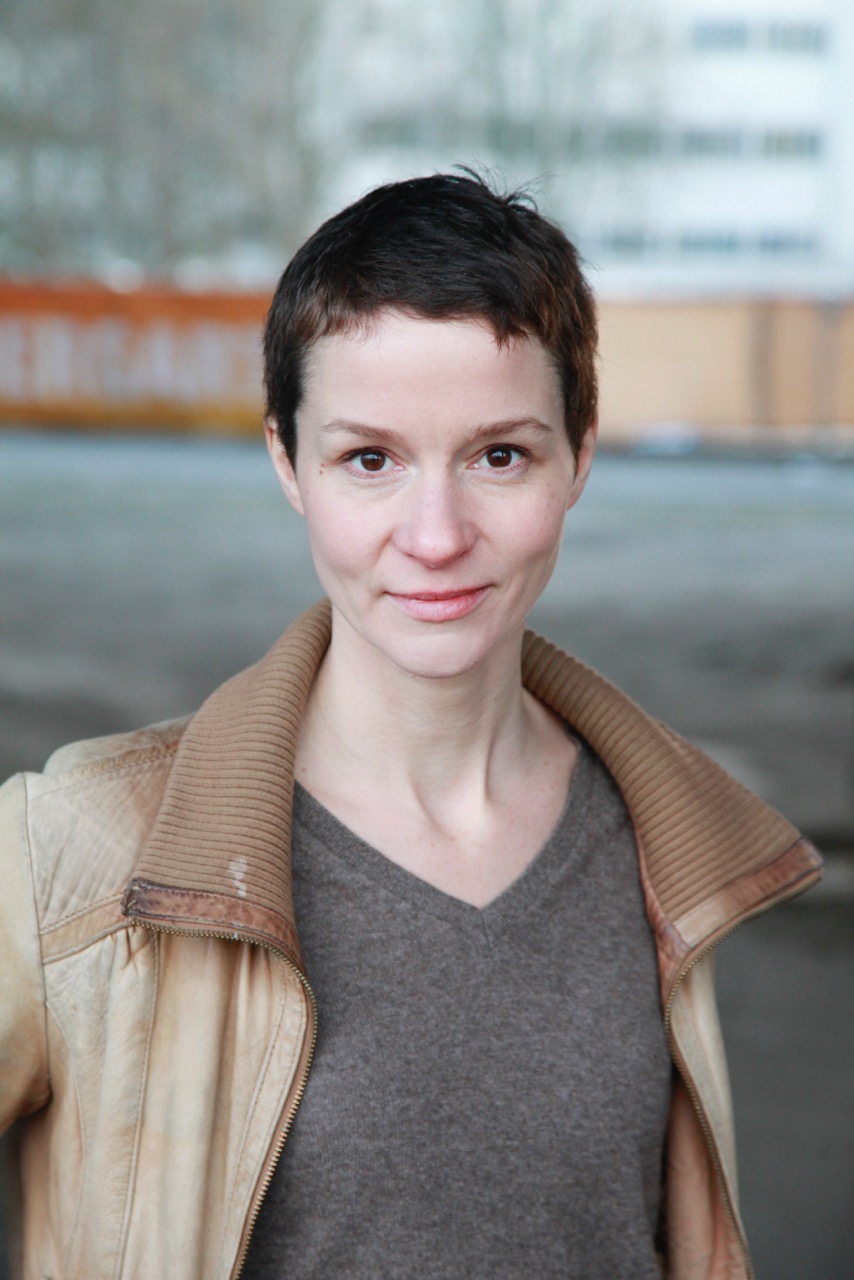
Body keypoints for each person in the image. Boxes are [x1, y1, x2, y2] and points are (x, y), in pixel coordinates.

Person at [0, 172, 821, 1280]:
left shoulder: (665, 849)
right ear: (288, 463)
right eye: (370, 459)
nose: (435, 536)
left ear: (579, 455)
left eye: (499, 455)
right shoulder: (67, 857)